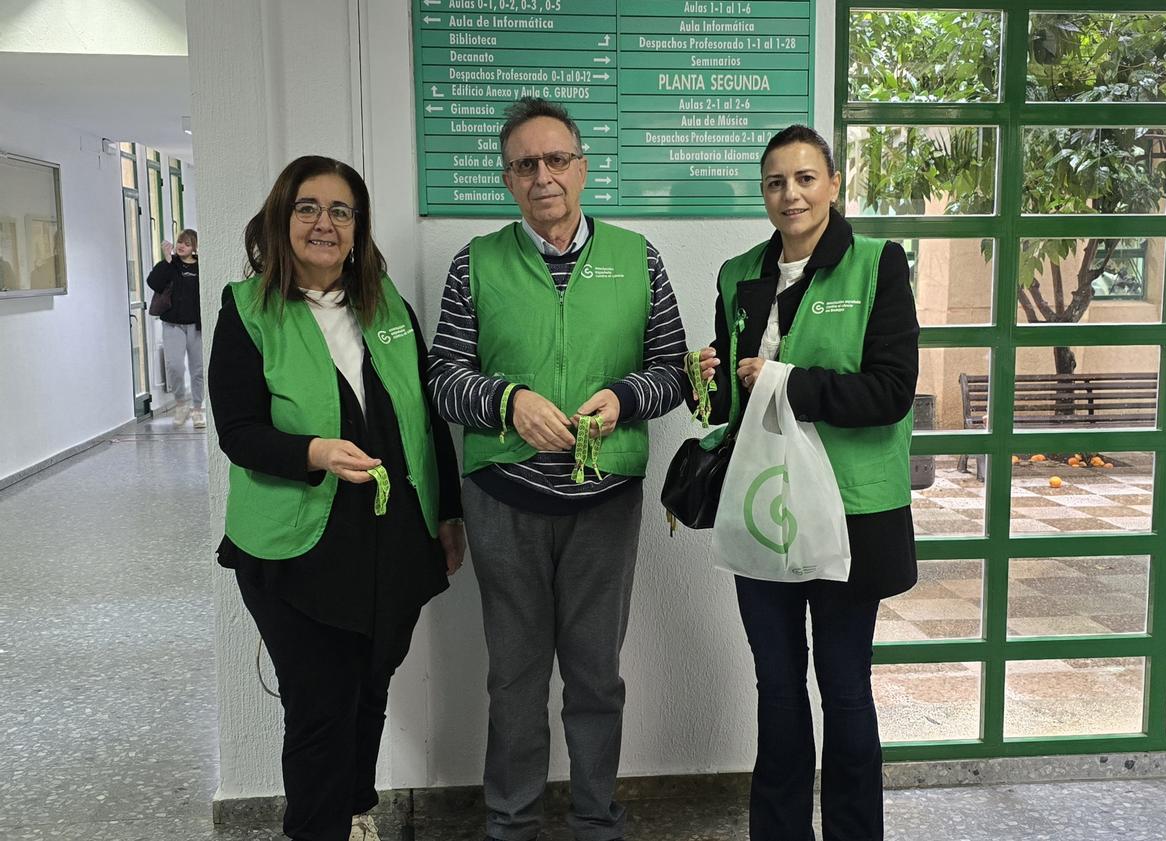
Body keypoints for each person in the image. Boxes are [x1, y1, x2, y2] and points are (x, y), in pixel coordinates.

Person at [428, 97, 689, 841]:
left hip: (604, 501)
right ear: (508, 180)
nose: (543, 176)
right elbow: (442, 378)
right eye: (525, 165)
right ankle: (511, 822)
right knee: (514, 676)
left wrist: (625, 397)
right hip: (503, 501)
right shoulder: (476, 263)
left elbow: (673, 368)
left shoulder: (638, 257)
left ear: (582, 167)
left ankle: (597, 819)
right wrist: (508, 402)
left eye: (556, 159)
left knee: (596, 674)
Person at [207, 155, 466, 841]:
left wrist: (448, 513)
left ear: (358, 228)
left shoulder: (387, 306)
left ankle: (353, 813)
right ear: (281, 218)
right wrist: (314, 453)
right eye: (308, 208)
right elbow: (239, 432)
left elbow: (427, 418)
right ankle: (316, 829)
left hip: (392, 541)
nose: (324, 223)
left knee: (371, 687)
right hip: (295, 547)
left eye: (340, 211)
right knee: (320, 705)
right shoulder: (247, 309)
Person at [692, 125, 919, 841]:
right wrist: (710, 381)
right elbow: (731, 407)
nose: (790, 194)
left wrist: (788, 382)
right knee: (779, 688)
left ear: (833, 184)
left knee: (845, 689)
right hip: (765, 510)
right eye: (775, 182)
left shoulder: (878, 265)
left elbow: (891, 391)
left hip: (852, 514)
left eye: (805, 178)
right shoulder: (738, 274)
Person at [147, 229, 205, 427]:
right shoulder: (170, 265)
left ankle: (197, 409)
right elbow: (153, 283)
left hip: (196, 326)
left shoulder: (201, 266)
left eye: (187, 244)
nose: (182, 246)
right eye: (180, 242)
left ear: (194, 247)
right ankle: (181, 404)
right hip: (172, 324)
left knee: (198, 369)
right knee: (174, 366)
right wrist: (166, 260)